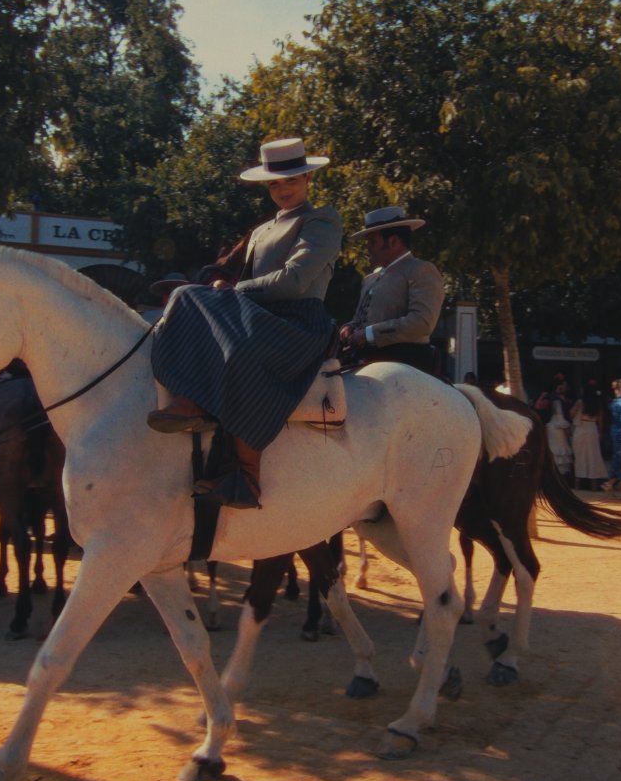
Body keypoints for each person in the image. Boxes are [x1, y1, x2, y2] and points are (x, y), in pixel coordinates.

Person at [147, 137, 341, 509]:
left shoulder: (322, 220)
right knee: (186, 295)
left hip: (297, 322)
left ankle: (247, 477)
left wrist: (235, 290)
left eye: (291, 180)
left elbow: (295, 280)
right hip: (258, 313)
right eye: (274, 183)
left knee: (240, 349)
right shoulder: (263, 229)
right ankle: (189, 400)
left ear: (308, 180)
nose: (282, 189)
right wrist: (226, 288)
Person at [339, 206, 446, 374]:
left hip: (406, 365)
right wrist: (350, 328)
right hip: (363, 360)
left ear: (393, 241)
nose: (367, 248)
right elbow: (362, 320)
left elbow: (422, 323)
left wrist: (368, 334)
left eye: (372, 241)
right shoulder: (370, 279)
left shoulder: (420, 270)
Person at [571, 385, 605, 491]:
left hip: (581, 429)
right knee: (593, 456)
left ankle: (578, 484)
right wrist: (600, 432)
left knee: (580, 456)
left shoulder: (580, 402)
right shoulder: (597, 404)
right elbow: (601, 419)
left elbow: (571, 413)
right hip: (592, 429)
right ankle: (593, 484)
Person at [545, 380, 573, 477]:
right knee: (560, 449)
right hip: (557, 426)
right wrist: (566, 428)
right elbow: (559, 415)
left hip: (553, 426)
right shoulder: (556, 399)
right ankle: (559, 473)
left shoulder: (554, 397)